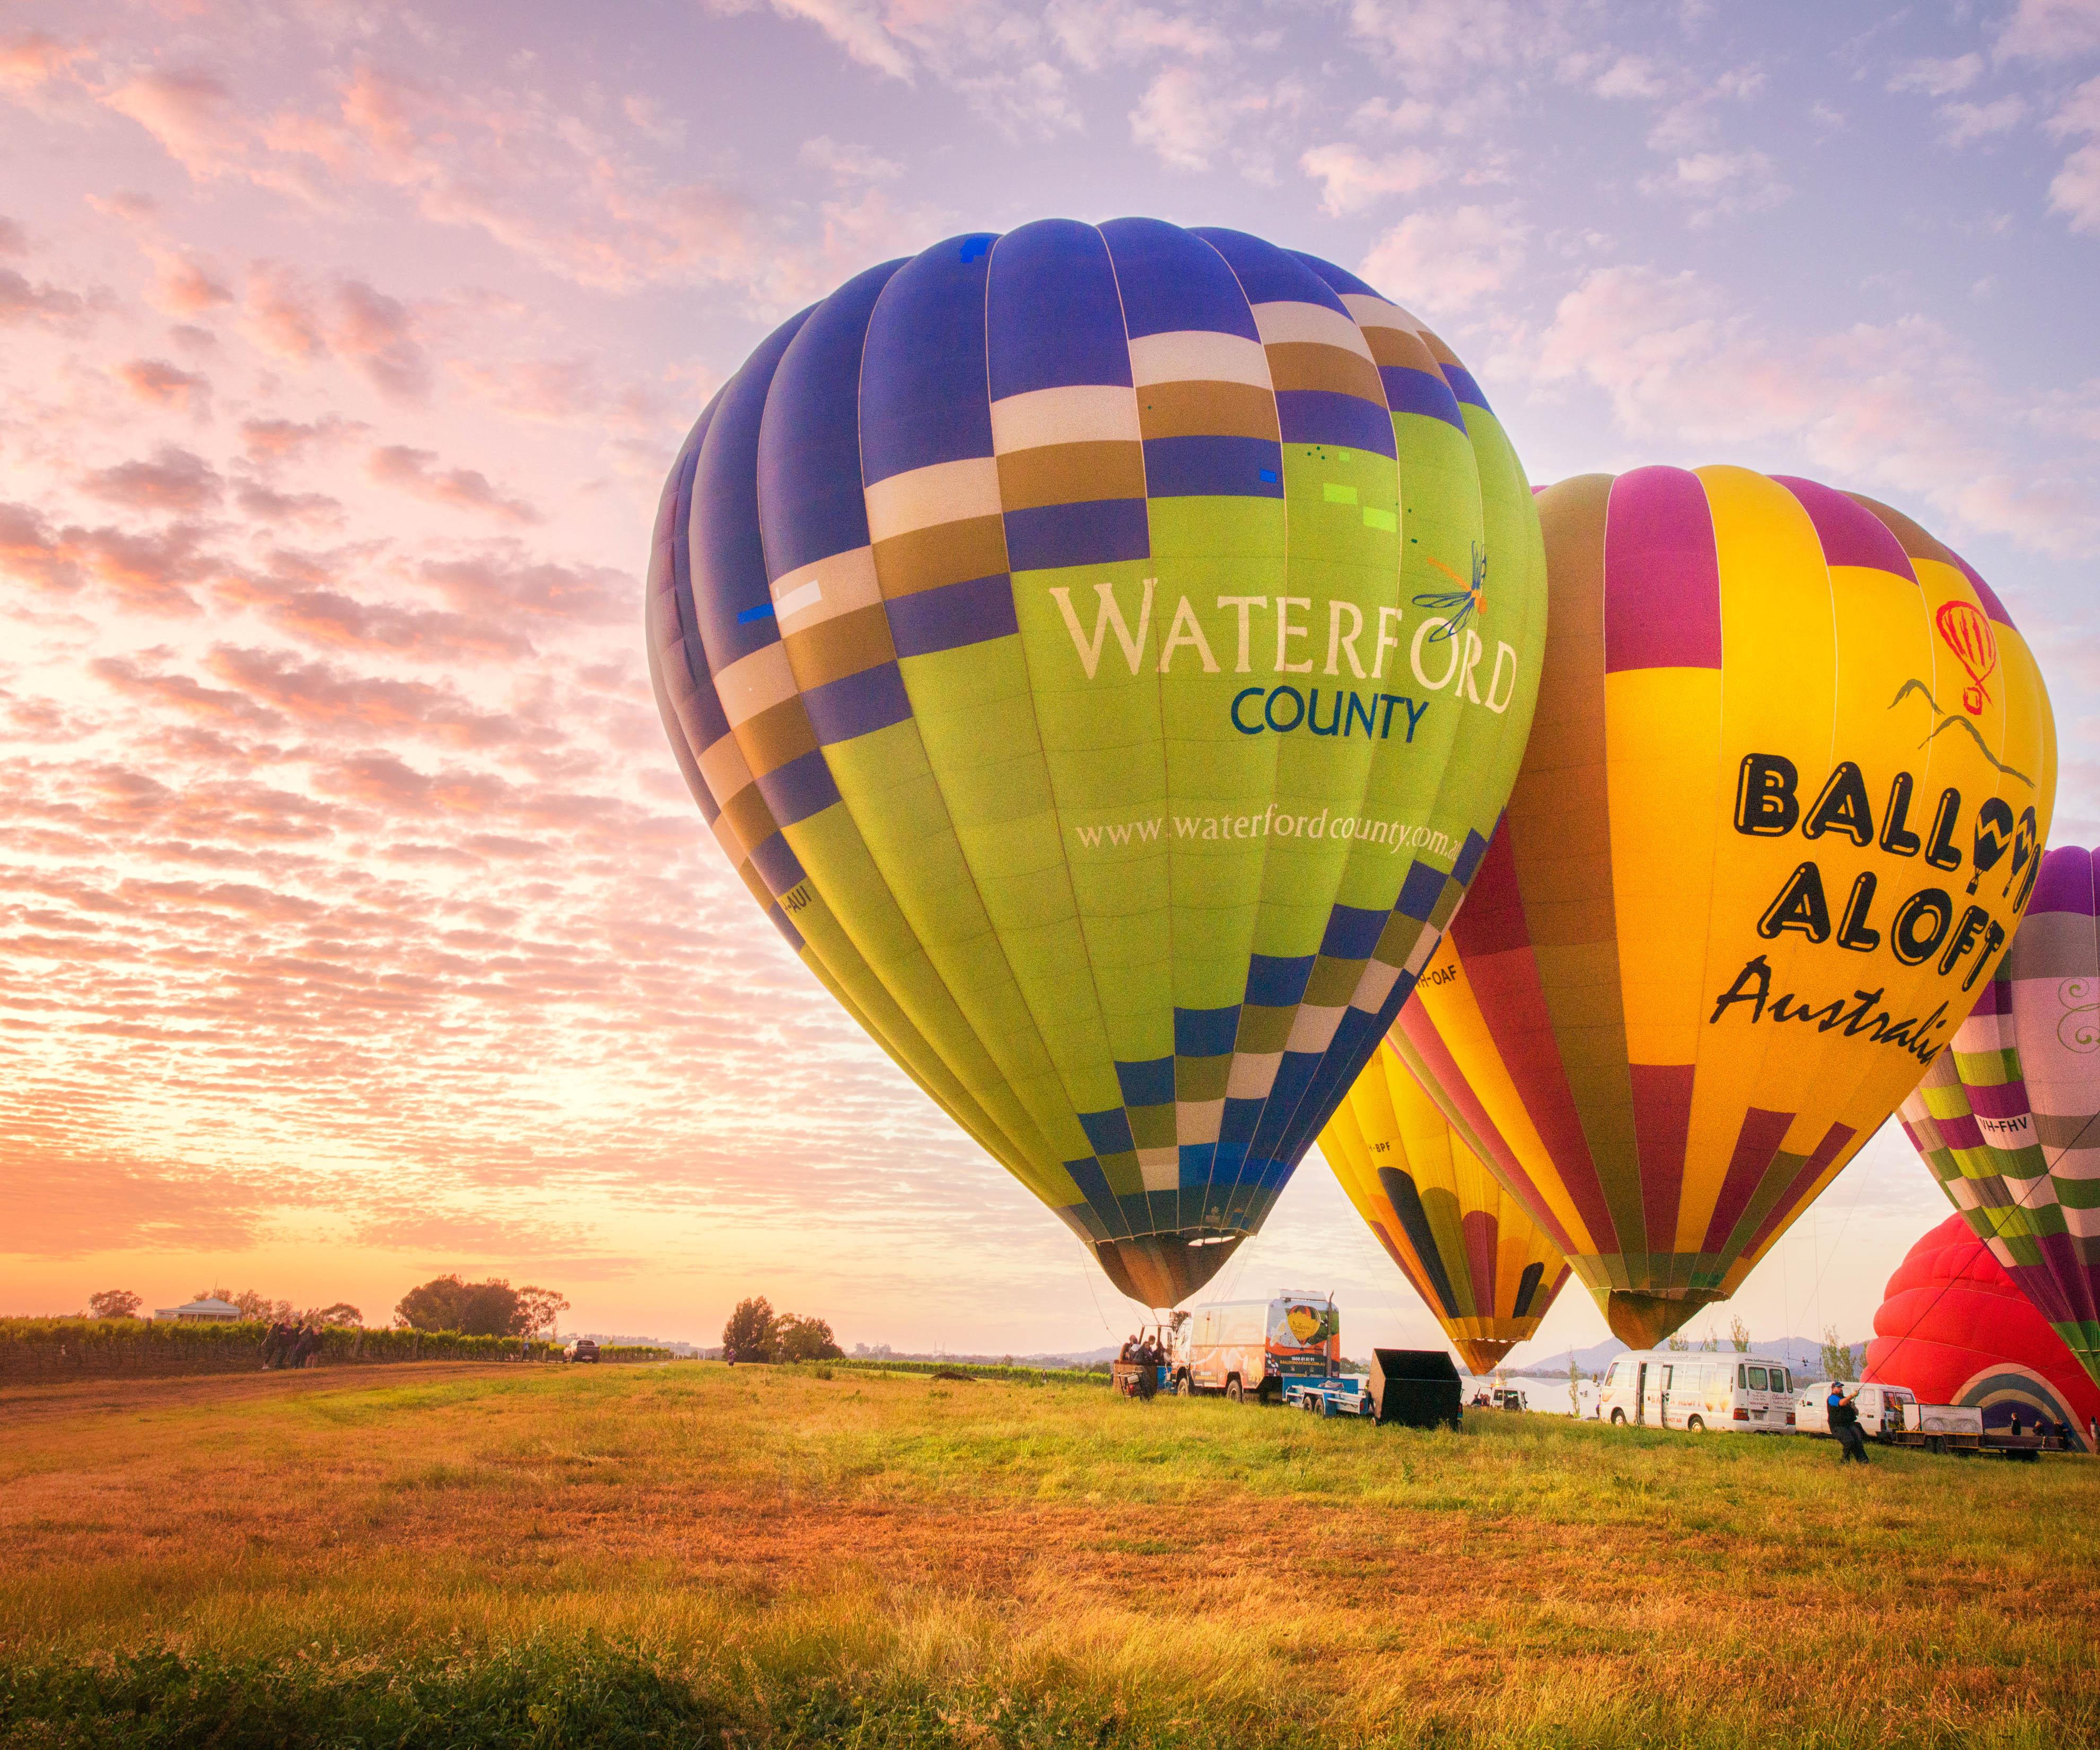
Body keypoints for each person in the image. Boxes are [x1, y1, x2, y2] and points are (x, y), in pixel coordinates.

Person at [1827, 1382, 1869, 1465]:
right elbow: (1841, 1403)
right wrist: (1852, 1395)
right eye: (1838, 1387)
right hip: (1837, 1426)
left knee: (1858, 1442)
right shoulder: (1832, 1398)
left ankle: (1864, 1461)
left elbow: (1856, 1412)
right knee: (1849, 1442)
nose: (1841, 1389)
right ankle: (1845, 1461)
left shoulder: (1846, 1399)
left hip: (1848, 1424)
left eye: (1841, 1387)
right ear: (1833, 1389)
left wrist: (1854, 1407)